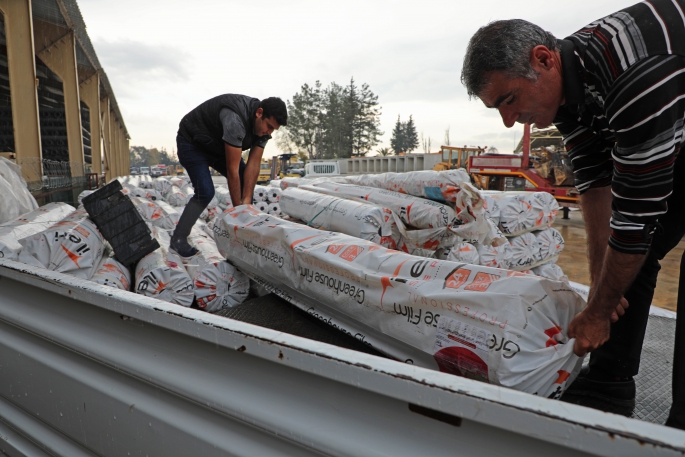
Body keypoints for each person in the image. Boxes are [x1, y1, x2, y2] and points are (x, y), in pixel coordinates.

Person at [461, 0, 685, 429]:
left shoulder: (633, 75)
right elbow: (597, 186)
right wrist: (602, 290)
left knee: (639, 240)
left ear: (543, 60)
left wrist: (600, 313)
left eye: (509, 100)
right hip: (674, 118)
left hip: (668, 100)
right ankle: (607, 385)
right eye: (498, 110)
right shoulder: (570, 93)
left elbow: (636, 217)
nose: (510, 122)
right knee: (632, 257)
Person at [171, 95, 287, 257]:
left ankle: (246, 236)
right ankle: (178, 239)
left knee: (245, 180)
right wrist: (239, 211)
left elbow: (253, 165)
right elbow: (232, 172)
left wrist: (246, 203)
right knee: (205, 192)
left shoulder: (264, 131)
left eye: (273, 129)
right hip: (192, 142)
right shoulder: (235, 119)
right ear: (259, 113)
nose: (269, 132)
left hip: (217, 145)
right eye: (268, 126)